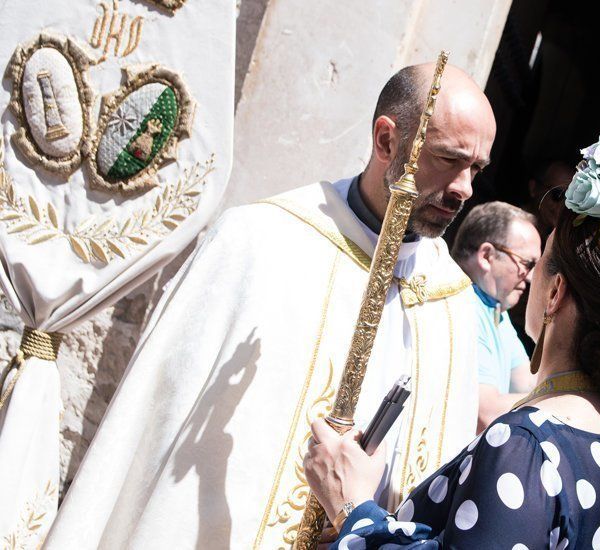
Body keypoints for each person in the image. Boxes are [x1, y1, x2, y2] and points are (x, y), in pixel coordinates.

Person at [45, 64, 496, 549]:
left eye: (477, 169)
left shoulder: (450, 299)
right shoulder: (259, 243)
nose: (465, 188)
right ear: (386, 141)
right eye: (449, 159)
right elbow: (154, 435)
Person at [304, 144, 600, 548]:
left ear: (556, 293)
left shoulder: (526, 446)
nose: (530, 279)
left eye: (542, 261)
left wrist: (350, 505)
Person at [451, 201, 541, 432]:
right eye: (526, 264)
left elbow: (528, 383)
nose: (530, 278)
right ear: (487, 256)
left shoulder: (496, 310)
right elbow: (486, 413)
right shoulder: (461, 307)